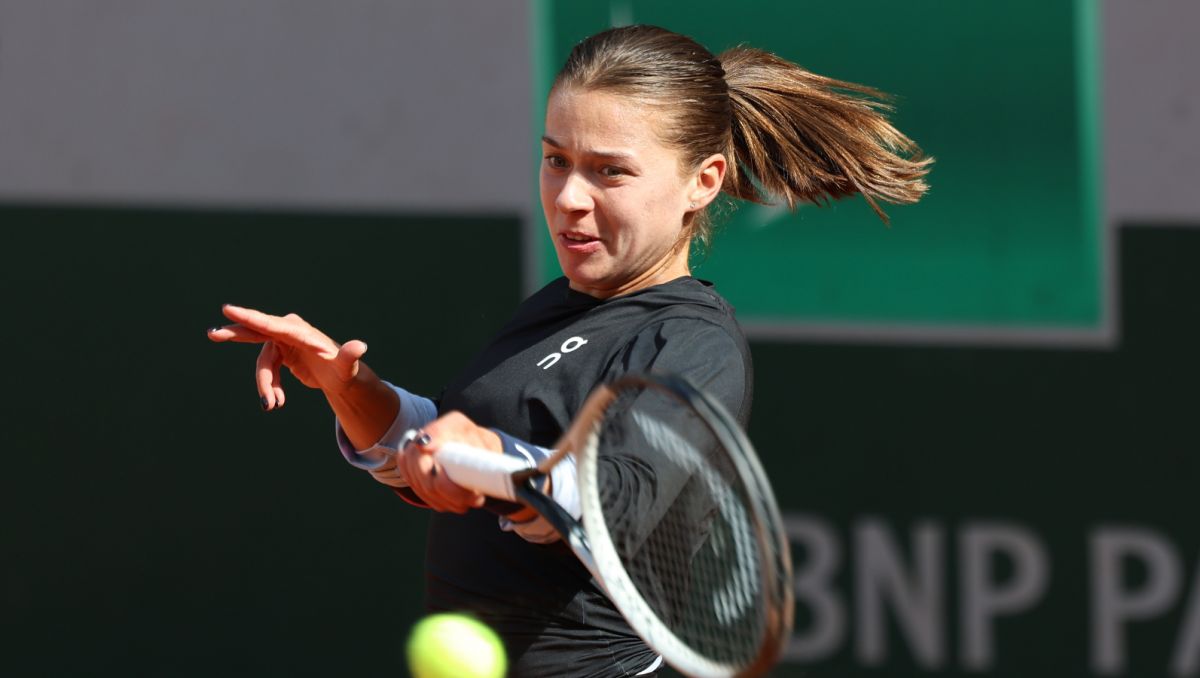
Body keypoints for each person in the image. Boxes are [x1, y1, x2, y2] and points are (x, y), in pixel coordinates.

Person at [209, 24, 929, 677]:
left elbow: (616, 497)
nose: (569, 198)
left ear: (701, 183)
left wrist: (489, 459)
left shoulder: (692, 341)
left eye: (609, 171)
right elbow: (438, 455)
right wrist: (348, 383)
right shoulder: (560, 304)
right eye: (556, 161)